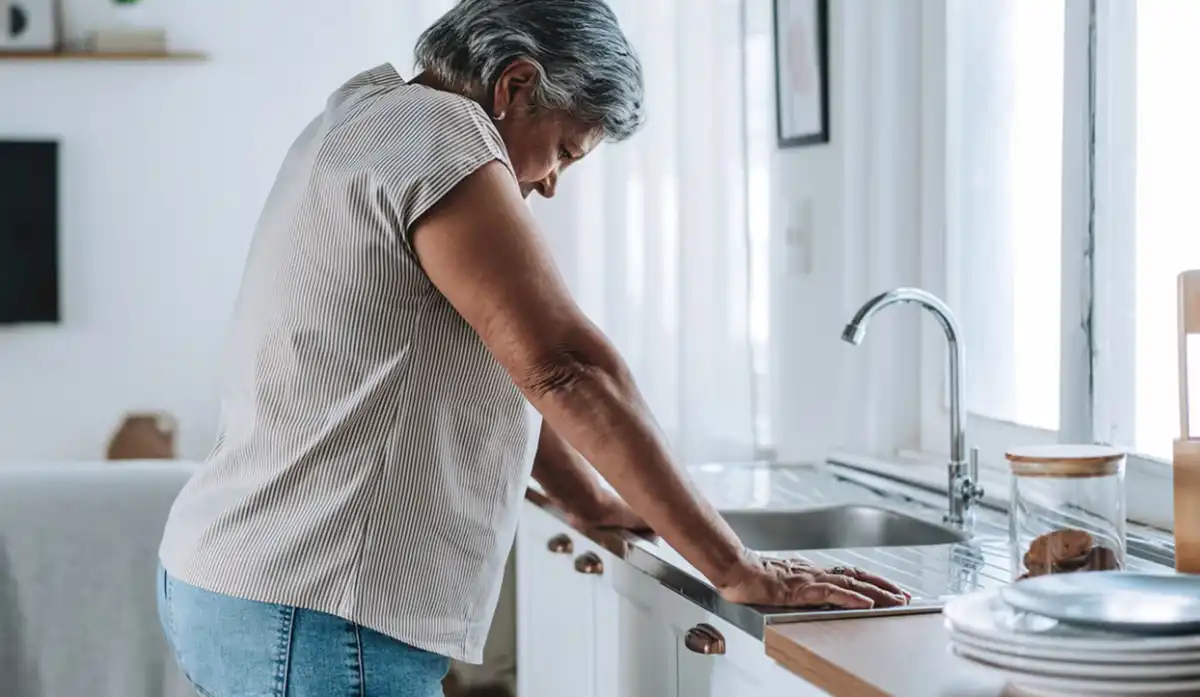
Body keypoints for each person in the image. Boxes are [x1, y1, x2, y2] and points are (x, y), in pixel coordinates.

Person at [154, 0, 910, 695]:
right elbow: (563, 368)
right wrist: (739, 569)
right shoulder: (441, 133)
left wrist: (586, 500)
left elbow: (496, 360)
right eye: (565, 150)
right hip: (312, 606)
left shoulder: (364, 113)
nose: (550, 183)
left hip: (234, 580)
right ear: (515, 85)